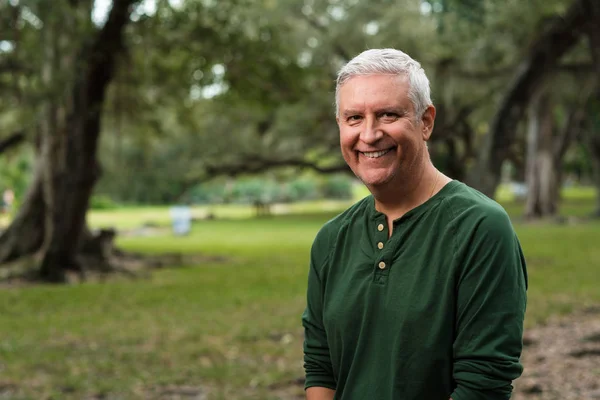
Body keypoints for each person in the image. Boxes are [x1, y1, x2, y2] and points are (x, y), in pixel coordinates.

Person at [301, 48, 528, 400]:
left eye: (388, 114)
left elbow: (484, 383)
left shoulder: (480, 228)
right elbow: (321, 367)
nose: (370, 134)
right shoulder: (331, 240)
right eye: (354, 118)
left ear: (425, 121)